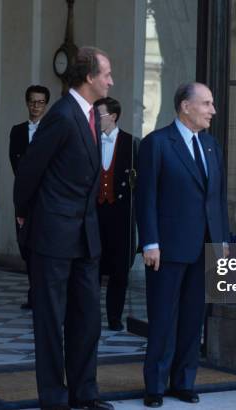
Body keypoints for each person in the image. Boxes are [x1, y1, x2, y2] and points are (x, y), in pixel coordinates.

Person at [13, 47, 114, 410]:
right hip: (53, 236)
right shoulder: (62, 115)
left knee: (87, 320)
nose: (111, 80)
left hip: (85, 238)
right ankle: (55, 400)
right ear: (89, 77)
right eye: (106, 74)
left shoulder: (89, 114)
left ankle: (85, 393)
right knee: (51, 322)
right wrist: (24, 215)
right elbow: (29, 171)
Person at [136, 82, 230, 408]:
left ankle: (184, 381)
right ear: (185, 106)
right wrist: (149, 242)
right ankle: (155, 386)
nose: (212, 111)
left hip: (203, 247)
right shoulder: (157, 144)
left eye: (212, 104)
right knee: (163, 319)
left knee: (193, 319)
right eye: (206, 104)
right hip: (166, 248)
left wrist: (221, 241)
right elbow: (145, 197)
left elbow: (217, 199)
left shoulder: (211, 146)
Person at [94, 96, 138, 331]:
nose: (95, 119)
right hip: (95, 214)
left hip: (120, 217)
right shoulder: (90, 140)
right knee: (92, 268)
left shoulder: (132, 144)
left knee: (119, 271)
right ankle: (89, 316)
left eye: (98, 115)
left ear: (113, 117)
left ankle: (114, 317)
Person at [9, 84, 51, 310]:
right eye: (32, 102)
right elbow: (15, 163)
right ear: (27, 103)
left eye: (41, 102)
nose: (36, 106)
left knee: (43, 247)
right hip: (24, 196)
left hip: (46, 198)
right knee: (25, 245)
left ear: (46, 105)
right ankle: (33, 290)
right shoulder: (17, 131)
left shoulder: (52, 130)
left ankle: (39, 294)